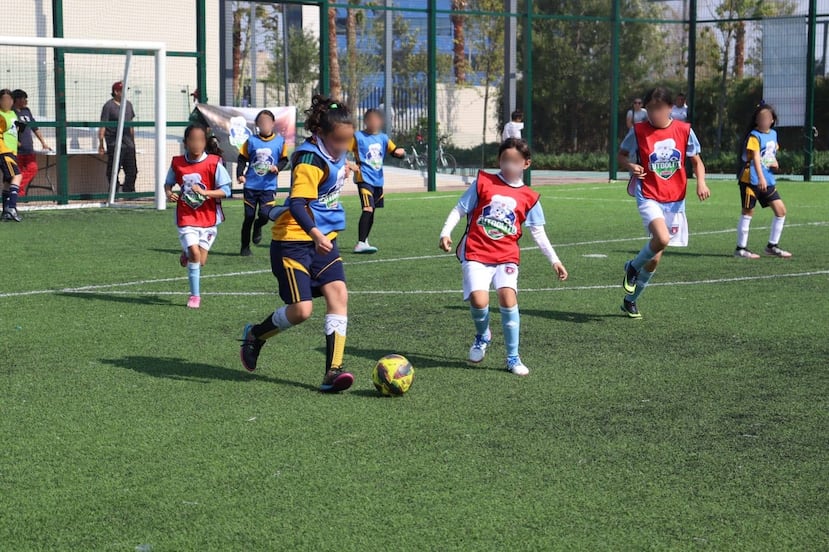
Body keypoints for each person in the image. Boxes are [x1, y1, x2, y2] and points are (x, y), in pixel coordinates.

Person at [239, 95, 356, 393]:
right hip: (293, 241)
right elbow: (301, 203)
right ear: (321, 135)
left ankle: (333, 371)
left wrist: (350, 167)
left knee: (338, 294)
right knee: (302, 311)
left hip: (324, 240)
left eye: (349, 139)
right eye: (340, 140)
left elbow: (344, 155)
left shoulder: (339, 142)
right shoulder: (308, 159)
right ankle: (255, 335)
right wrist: (315, 233)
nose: (345, 144)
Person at [438, 138, 569, 376]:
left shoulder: (529, 197)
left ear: (526, 164)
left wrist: (555, 260)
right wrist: (445, 232)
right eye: (504, 160)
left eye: (514, 161)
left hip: (506, 256)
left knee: (508, 299)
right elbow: (460, 208)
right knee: (479, 301)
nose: (508, 165)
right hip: (476, 252)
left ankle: (512, 357)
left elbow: (538, 232)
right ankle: (483, 335)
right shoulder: (483, 183)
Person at [618, 87, 710, 319]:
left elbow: (697, 161)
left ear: (670, 108)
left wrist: (701, 183)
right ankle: (632, 267)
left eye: (658, 109)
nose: (653, 114)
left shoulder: (684, 130)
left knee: (656, 256)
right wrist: (630, 166)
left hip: (675, 199)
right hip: (648, 193)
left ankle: (630, 300)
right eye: (650, 109)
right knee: (662, 238)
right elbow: (621, 155)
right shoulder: (639, 131)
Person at [164, 124, 232, 309]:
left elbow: (226, 191)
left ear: (205, 142)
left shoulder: (214, 163)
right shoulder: (177, 163)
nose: (196, 144)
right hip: (186, 217)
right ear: (185, 142)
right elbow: (168, 183)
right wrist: (169, 193)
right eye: (192, 140)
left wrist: (205, 192)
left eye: (200, 140)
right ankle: (195, 296)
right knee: (195, 254)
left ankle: (187, 254)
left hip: (208, 218)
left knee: (200, 261)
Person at [734, 102, 791, 259]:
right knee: (748, 212)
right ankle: (741, 249)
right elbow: (756, 159)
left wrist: (774, 163)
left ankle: (772, 246)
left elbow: (770, 154)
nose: (764, 120)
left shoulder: (773, 134)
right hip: (751, 179)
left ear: (772, 120)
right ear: (757, 120)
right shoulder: (754, 136)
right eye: (761, 118)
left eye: (767, 118)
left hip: (767, 178)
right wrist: (760, 177)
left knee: (781, 211)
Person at [349, 108, 405, 254]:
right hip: (364, 178)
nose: (375, 122)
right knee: (367, 208)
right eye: (371, 119)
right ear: (366, 121)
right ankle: (360, 243)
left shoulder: (383, 138)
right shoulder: (357, 136)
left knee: (372, 210)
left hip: (378, 180)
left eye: (377, 119)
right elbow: (341, 149)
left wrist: (400, 152)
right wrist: (348, 164)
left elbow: (394, 151)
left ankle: (365, 240)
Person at [236, 109, 289, 256]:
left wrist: (277, 167)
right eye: (261, 122)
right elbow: (242, 158)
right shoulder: (251, 141)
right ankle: (245, 247)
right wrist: (240, 174)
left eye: (267, 122)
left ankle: (258, 226)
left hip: (268, 186)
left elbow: (285, 160)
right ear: (258, 124)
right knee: (249, 217)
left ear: (272, 124)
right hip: (251, 186)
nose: (264, 124)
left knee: (265, 215)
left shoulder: (280, 141)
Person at [98, 81, 138, 193]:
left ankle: (128, 191)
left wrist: (133, 142)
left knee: (132, 170)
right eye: (122, 90)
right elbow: (103, 126)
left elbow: (130, 125)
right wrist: (101, 144)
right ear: (116, 92)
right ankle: (114, 191)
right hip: (114, 143)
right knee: (113, 170)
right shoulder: (108, 106)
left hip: (128, 144)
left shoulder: (128, 105)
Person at [12, 89, 52, 196]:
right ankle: (18, 196)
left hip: (28, 148)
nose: (26, 101)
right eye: (24, 99)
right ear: (17, 100)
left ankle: (16, 189)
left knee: (32, 169)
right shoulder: (10, 112)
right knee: (17, 173)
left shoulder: (26, 111)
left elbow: (35, 128)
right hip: (16, 150)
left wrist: (43, 142)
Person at [0, 89, 23, 222]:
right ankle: (12, 207)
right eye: (4, 99)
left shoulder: (13, 114)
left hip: (12, 151)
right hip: (4, 151)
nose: (7, 102)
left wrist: (18, 140)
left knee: (8, 182)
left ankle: (5, 212)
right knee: (17, 176)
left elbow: (18, 128)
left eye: (9, 99)